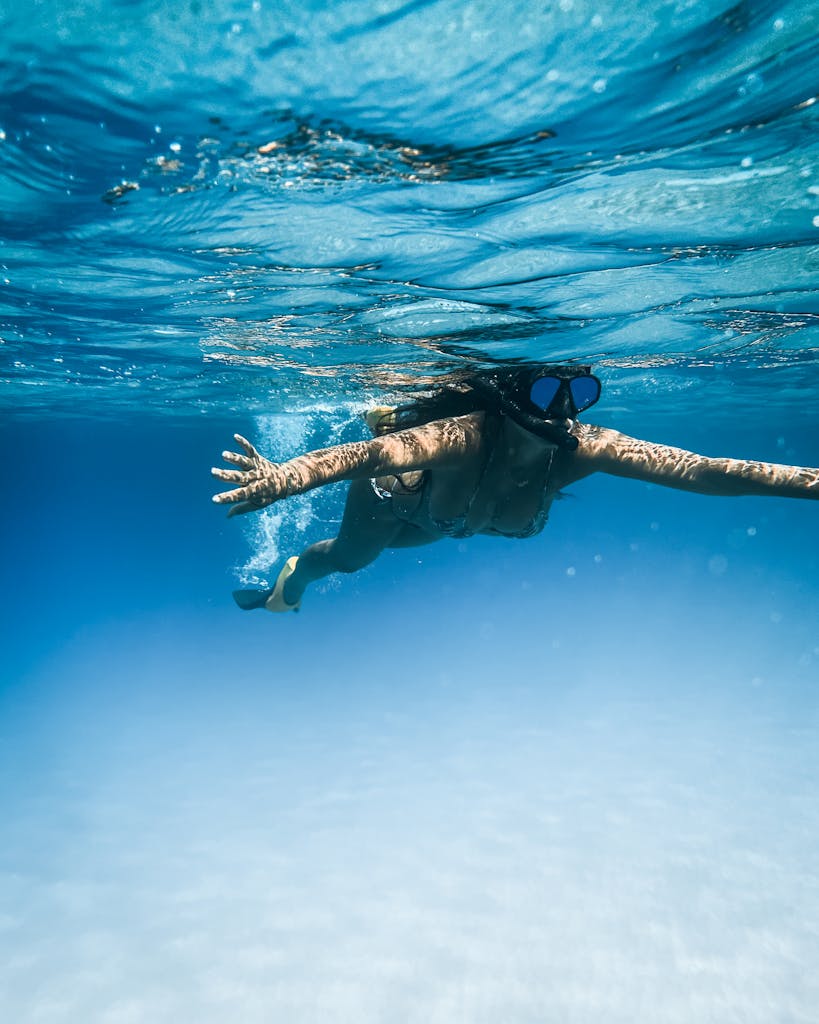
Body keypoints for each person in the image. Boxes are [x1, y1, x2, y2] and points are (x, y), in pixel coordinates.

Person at [211, 363, 819, 612]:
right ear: (508, 397)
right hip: (398, 496)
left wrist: (810, 482)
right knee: (349, 559)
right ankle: (285, 587)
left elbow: (703, 469)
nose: (560, 410)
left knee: (394, 546)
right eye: (543, 391)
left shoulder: (587, 450)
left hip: (446, 520)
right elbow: (367, 454)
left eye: (577, 394)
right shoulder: (465, 437)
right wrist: (283, 478)